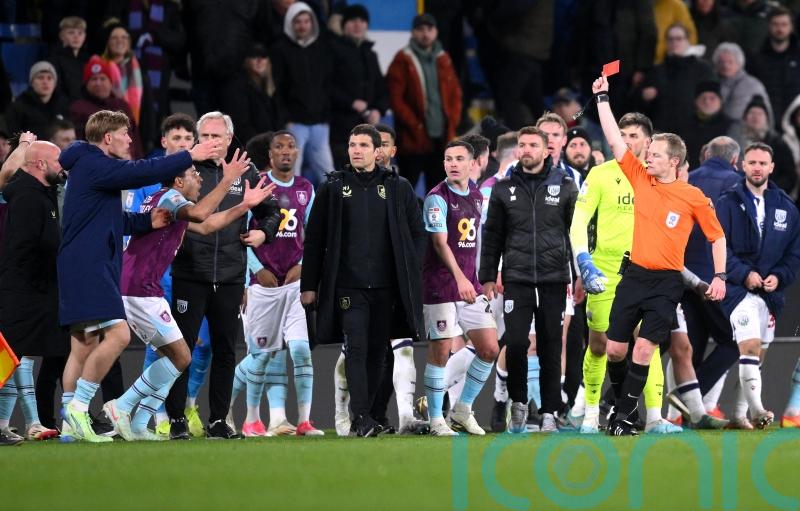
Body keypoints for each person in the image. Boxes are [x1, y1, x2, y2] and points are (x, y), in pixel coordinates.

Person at [57, 110, 221, 442]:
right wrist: (188, 155)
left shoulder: (88, 167)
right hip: (89, 264)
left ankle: (69, 423)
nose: (130, 140)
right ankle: (79, 409)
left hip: (85, 261)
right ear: (108, 138)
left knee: (84, 344)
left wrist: (145, 223)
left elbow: (107, 220)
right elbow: (140, 172)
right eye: (125, 134)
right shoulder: (94, 164)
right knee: (117, 335)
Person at [103, 148, 273, 441]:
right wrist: (227, 179)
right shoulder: (172, 198)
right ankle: (122, 406)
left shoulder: (167, 203)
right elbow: (201, 212)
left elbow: (208, 226)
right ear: (179, 182)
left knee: (169, 356)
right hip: (140, 290)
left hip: (137, 288)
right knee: (182, 357)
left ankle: (141, 421)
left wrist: (245, 205)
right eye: (194, 176)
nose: (199, 180)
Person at [592, 73, 727, 436]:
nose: (646, 158)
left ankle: (622, 418)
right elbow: (614, 140)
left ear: (674, 161)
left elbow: (717, 237)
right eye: (647, 154)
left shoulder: (693, 196)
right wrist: (602, 99)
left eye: (654, 155)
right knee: (615, 350)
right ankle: (624, 409)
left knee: (643, 350)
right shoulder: (639, 179)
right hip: (632, 275)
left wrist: (719, 276)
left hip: (666, 283)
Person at [301, 124, 426, 437]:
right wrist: (308, 285)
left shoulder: (399, 187)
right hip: (347, 286)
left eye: (363, 145)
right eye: (352, 144)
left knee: (378, 352)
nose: (356, 150)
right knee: (355, 347)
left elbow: (417, 235)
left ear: (377, 151)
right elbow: (314, 240)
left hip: (387, 286)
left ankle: (365, 416)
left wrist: (411, 270)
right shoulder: (332, 187)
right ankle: (362, 417)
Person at [166, 111, 282, 440]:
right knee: (182, 349)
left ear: (230, 140)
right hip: (190, 271)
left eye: (218, 137)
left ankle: (218, 419)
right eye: (205, 136)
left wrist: (264, 234)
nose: (211, 143)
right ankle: (176, 420)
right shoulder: (184, 172)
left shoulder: (246, 171)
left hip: (231, 274)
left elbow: (272, 209)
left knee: (226, 350)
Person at [569, 112, 683, 434]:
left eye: (634, 136)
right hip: (603, 272)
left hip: (644, 272)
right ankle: (591, 415)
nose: (627, 141)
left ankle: (655, 418)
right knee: (600, 345)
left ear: (649, 142)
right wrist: (583, 261)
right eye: (623, 135)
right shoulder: (601, 174)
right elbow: (578, 221)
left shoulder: (658, 181)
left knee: (646, 343)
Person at [480, 126, 578, 433]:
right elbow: (492, 235)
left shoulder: (564, 185)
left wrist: (580, 276)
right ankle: (519, 404)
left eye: (532, 145)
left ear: (546, 149)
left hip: (554, 278)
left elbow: (577, 235)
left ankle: (549, 411)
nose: (525, 150)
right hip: (517, 279)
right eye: (522, 145)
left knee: (550, 345)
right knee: (517, 342)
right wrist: (486, 277)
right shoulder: (502, 188)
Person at [229, 130, 324, 437]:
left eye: (291, 146)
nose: (286, 151)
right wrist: (255, 271)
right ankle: (247, 417)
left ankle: (305, 421)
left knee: (299, 350)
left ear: (297, 153)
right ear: (269, 156)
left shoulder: (306, 188)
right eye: (279, 147)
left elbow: (314, 235)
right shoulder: (257, 188)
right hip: (262, 285)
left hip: (293, 283)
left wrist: (303, 265)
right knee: (261, 354)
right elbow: (240, 234)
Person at [716, 142, 800, 429]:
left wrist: (779, 276)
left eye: (763, 163)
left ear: (771, 167)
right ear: (742, 165)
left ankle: (740, 415)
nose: (757, 168)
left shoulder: (786, 207)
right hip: (739, 291)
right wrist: (743, 274)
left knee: (757, 355)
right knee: (749, 346)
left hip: (770, 294)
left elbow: (794, 254)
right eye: (752, 162)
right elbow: (718, 247)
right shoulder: (727, 202)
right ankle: (760, 409)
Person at [422, 139, 498, 437]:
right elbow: (439, 244)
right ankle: (435, 419)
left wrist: (480, 278)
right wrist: (460, 278)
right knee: (440, 350)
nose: (452, 164)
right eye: (448, 158)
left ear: (472, 163)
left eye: (458, 159)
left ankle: (463, 409)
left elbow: (475, 243)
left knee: (490, 348)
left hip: (471, 286)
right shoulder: (436, 198)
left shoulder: (476, 196)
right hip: (441, 286)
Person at [671, 136, 740, 426]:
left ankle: (687, 414)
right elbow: (730, 236)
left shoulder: (686, 179)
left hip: (680, 272)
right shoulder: (736, 184)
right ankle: (690, 393)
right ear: (735, 160)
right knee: (730, 344)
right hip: (713, 277)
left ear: (704, 155)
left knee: (693, 344)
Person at [0, 140, 66, 444]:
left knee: (15, 357)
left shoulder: (38, 192)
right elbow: (24, 247)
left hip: (33, 289)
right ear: (40, 164)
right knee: (8, 357)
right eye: (57, 161)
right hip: (24, 290)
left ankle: (10, 424)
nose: (61, 166)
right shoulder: (28, 197)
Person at [387, 13, 462, 192]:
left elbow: (455, 95)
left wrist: (452, 122)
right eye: (420, 29)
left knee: (436, 191)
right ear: (413, 32)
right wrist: (416, 125)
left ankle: (433, 221)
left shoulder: (444, 58)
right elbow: (395, 99)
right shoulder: (402, 59)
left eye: (429, 29)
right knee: (405, 190)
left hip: (440, 138)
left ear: (435, 32)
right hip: (412, 139)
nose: (425, 34)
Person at [271, 2, 335, 186]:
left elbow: (328, 83)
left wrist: (326, 114)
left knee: (328, 174)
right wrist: (286, 118)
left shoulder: (322, 48)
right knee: (291, 171)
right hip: (295, 123)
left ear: (312, 23)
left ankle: (331, 212)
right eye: (298, 21)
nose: (302, 25)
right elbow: (278, 88)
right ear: (290, 23)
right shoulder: (280, 49)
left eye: (306, 21)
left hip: (320, 123)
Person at [329, 4, 388, 170]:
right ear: (344, 25)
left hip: (368, 131)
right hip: (341, 131)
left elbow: (381, 88)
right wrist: (351, 102)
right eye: (353, 20)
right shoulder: (333, 50)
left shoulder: (371, 54)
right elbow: (327, 87)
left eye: (362, 21)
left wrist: (379, 110)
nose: (357, 24)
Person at [69, 55, 144, 159]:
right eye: (94, 79)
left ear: (110, 83)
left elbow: (135, 139)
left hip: (128, 165)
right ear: (86, 84)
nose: (98, 83)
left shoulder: (122, 106)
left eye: (102, 78)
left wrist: (139, 161)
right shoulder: (78, 109)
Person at [748, 7, 800, 132]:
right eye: (775, 24)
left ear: (791, 27)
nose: (780, 29)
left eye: (784, 24)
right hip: (766, 125)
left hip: (795, 125)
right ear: (768, 26)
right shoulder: (756, 58)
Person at [221, 44, 279, 145]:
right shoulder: (238, 85)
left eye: (263, 56)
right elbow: (240, 123)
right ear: (247, 60)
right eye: (254, 56)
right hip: (251, 146)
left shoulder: (270, 85)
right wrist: (260, 145)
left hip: (269, 142)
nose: (259, 60)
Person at [4, 61, 70, 139]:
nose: (45, 82)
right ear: (32, 82)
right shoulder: (18, 107)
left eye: (49, 78)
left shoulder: (62, 105)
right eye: (40, 77)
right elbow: (12, 137)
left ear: (55, 83)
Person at [47, 16, 91, 103]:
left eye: (80, 33)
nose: (76, 37)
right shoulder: (53, 60)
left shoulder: (88, 61)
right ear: (61, 36)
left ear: (84, 36)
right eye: (71, 33)